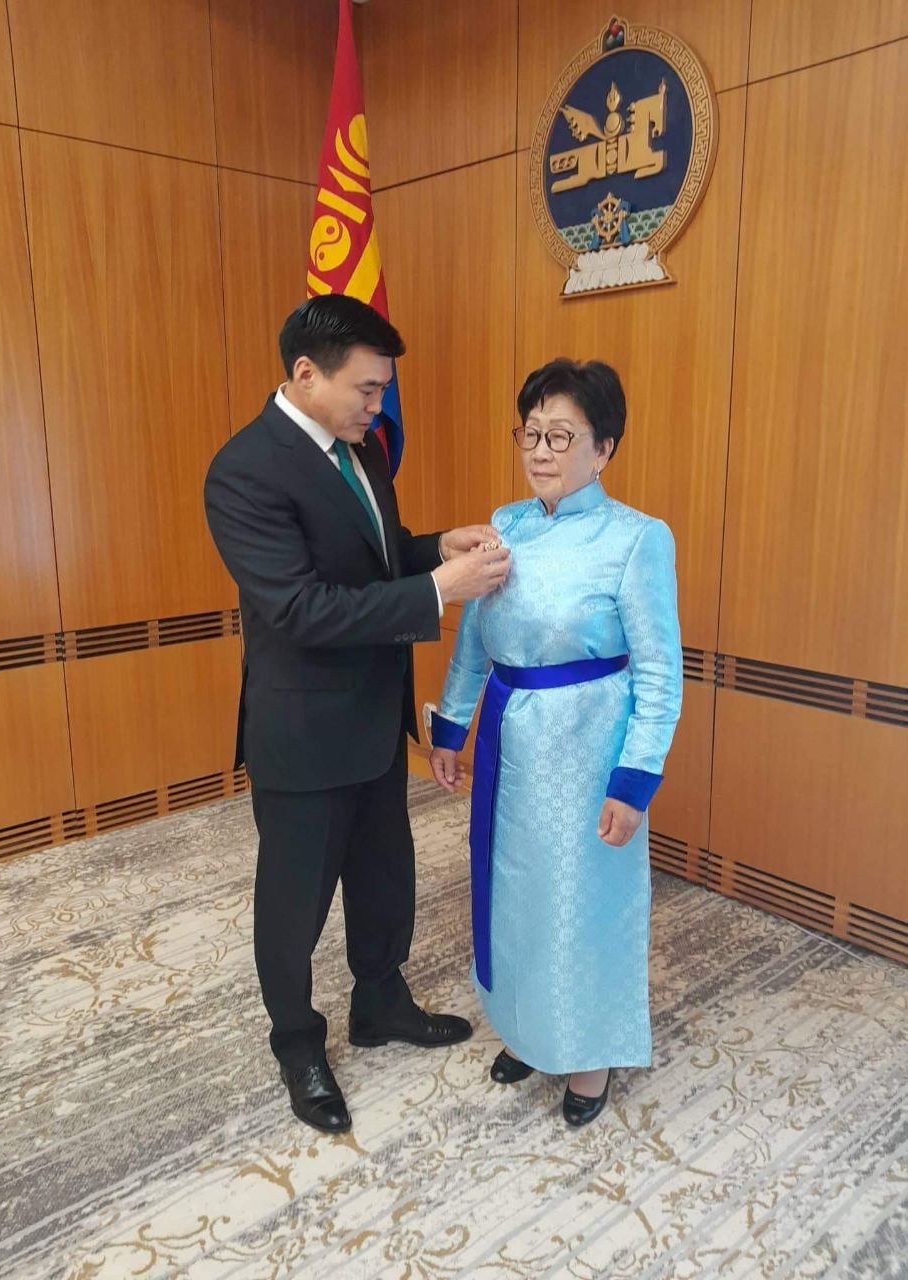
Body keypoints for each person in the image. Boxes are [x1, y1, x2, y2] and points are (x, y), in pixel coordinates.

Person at [204, 296, 511, 1134]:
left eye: (383, 390)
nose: (379, 406)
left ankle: (380, 1001)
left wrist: (434, 548)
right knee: (293, 904)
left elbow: (375, 559)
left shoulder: (362, 450)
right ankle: (297, 1043)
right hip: (303, 731)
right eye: (367, 389)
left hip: (374, 715)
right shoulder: (244, 471)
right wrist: (440, 590)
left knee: (384, 877)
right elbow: (301, 609)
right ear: (306, 373)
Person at [428, 358, 682, 1127]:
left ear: (603, 448)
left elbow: (659, 671)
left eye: (561, 436)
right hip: (511, 743)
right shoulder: (503, 526)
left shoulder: (637, 538)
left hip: (587, 750)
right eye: (531, 433)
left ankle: (589, 1056)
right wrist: (451, 726)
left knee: (582, 900)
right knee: (514, 894)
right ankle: (529, 1029)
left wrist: (633, 781)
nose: (540, 450)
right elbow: (475, 638)